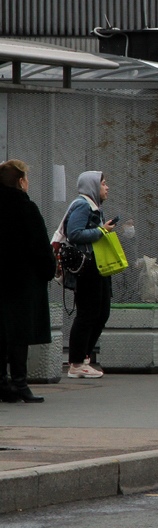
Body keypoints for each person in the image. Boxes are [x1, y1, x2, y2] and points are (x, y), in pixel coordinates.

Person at [0, 160, 56, 403]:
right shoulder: (25, 207)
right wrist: (48, 271)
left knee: (1, 331)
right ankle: (20, 383)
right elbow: (40, 246)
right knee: (19, 333)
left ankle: (2, 382)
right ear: (21, 181)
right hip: (22, 282)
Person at [58, 171, 116, 379]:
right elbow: (74, 233)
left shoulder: (93, 206)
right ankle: (76, 362)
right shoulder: (83, 205)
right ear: (92, 186)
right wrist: (102, 231)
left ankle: (83, 357)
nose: (106, 187)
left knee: (101, 311)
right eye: (103, 183)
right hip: (87, 267)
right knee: (88, 313)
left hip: (97, 266)